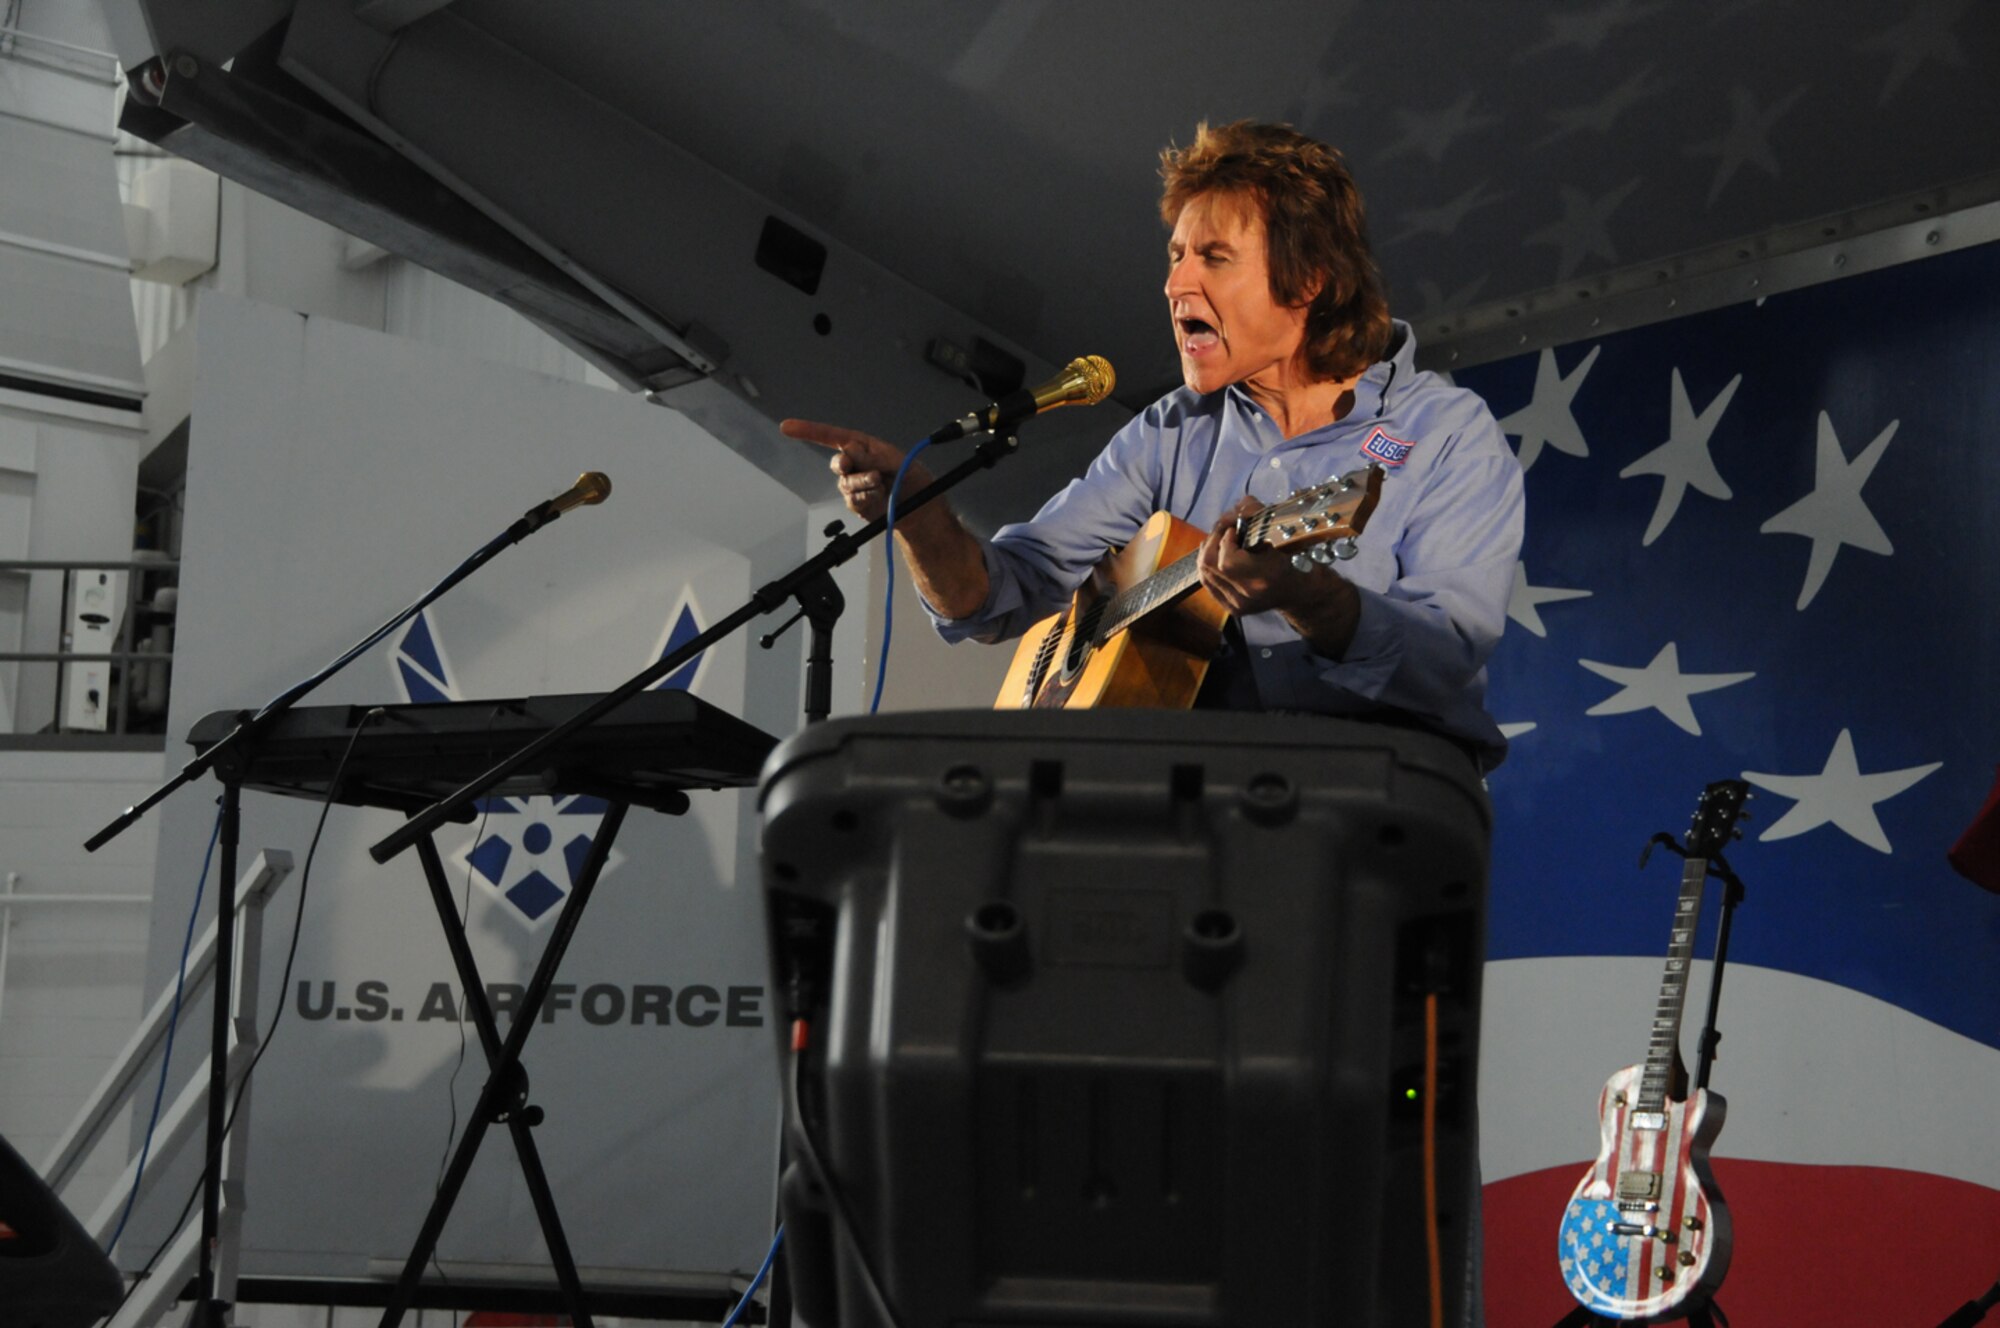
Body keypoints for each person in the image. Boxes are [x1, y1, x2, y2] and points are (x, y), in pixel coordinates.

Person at [783, 119, 1523, 770]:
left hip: (1371, 800)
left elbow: (1445, 659)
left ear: (1308, 283)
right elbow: (996, 598)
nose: (1176, 285)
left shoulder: (1445, 435)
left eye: (1213, 257)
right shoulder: (1170, 430)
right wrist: (918, 512)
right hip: (1178, 799)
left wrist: (1310, 598)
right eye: (1175, 256)